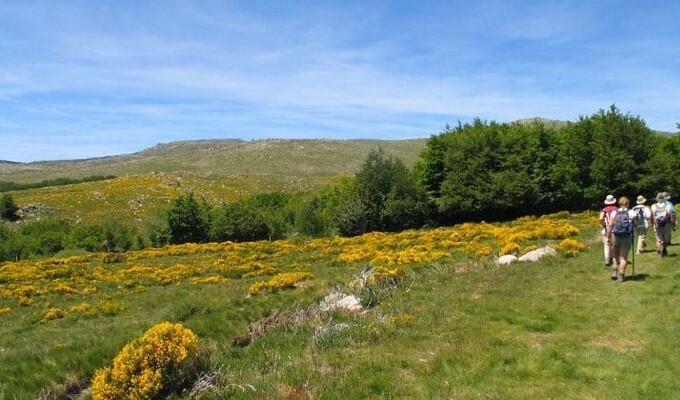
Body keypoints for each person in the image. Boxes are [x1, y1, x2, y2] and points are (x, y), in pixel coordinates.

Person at [606, 196, 637, 282]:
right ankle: (621, 275)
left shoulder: (614, 213)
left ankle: (614, 272)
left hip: (615, 235)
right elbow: (635, 224)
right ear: (628, 203)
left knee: (615, 256)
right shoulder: (631, 212)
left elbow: (610, 226)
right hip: (626, 236)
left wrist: (608, 237)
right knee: (623, 257)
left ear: (619, 203)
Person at [651, 192, 674, 257]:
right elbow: (670, 215)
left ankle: (659, 252)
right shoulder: (667, 205)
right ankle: (664, 250)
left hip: (657, 224)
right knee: (665, 239)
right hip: (666, 224)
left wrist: (653, 224)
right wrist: (672, 224)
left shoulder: (653, 206)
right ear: (664, 198)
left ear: (657, 198)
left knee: (658, 238)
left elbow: (652, 216)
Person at [599, 194, 618, 266]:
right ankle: (613, 258)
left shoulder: (604, 210)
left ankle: (607, 259)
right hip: (615, 229)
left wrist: (604, 225)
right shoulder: (616, 209)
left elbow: (600, 218)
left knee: (606, 244)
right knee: (614, 245)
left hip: (606, 228)